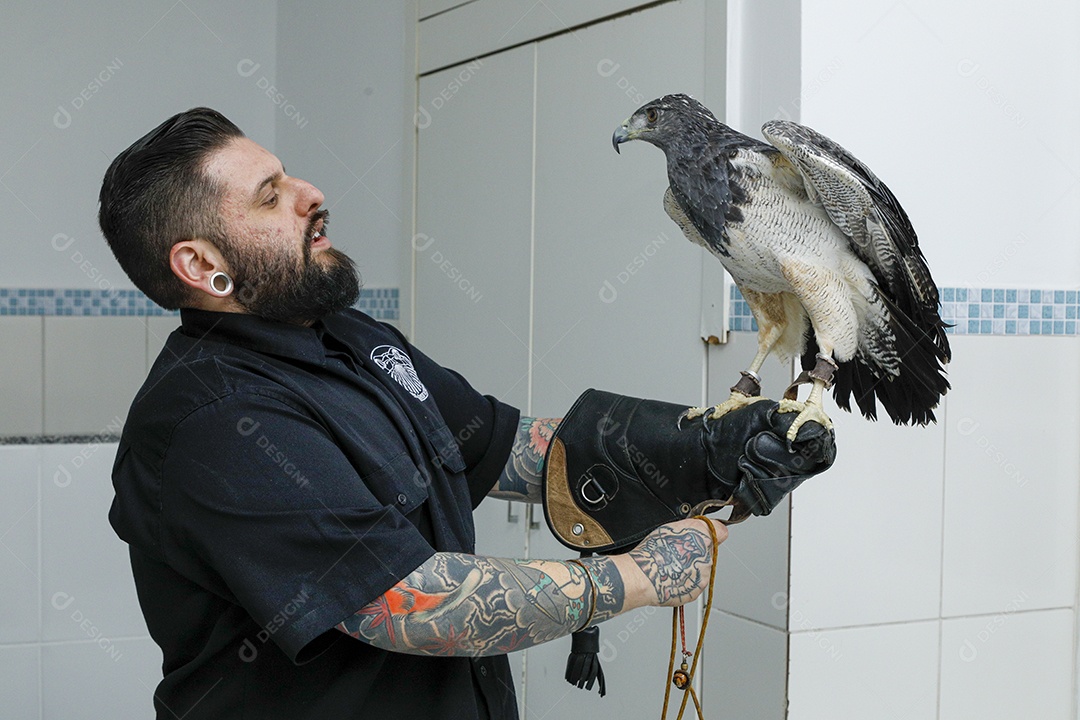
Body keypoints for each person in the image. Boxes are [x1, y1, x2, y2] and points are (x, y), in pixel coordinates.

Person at [101, 108, 833, 719]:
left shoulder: (349, 337)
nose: (310, 192)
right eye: (269, 196)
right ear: (200, 266)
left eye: (288, 174)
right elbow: (412, 603)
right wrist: (638, 577)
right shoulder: (211, 422)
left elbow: (512, 447)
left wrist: (700, 446)